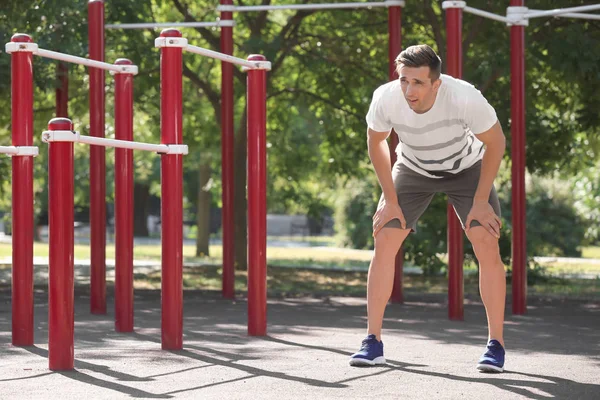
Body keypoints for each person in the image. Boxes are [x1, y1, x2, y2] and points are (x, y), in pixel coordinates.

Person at [349, 44, 507, 373]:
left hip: (467, 168)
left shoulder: (464, 96)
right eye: (404, 80)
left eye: (418, 83)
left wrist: (480, 202)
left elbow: (496, 142)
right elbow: (376, 141)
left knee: (486, 240)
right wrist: (390, 199)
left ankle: (495, 345)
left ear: (437, 83)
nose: (409, 90)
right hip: (413, 169)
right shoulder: (387, 97)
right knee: (384, 237)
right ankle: (372, 341)